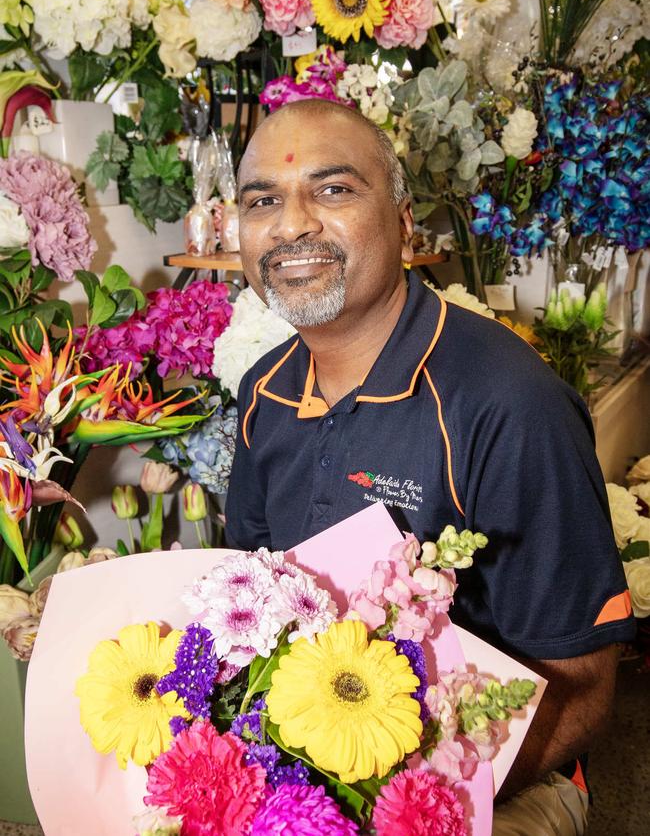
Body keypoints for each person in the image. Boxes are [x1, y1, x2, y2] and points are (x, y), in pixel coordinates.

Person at [224, 98, 635, 834]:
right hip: (318, 753)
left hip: (498, 768)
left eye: (334, 189)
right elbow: (252, 611)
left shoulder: (509, 405)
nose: (291, 225)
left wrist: (399, 808)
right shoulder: (264, 392)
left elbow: (583, 687)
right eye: (264, 200)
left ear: (407, 222)